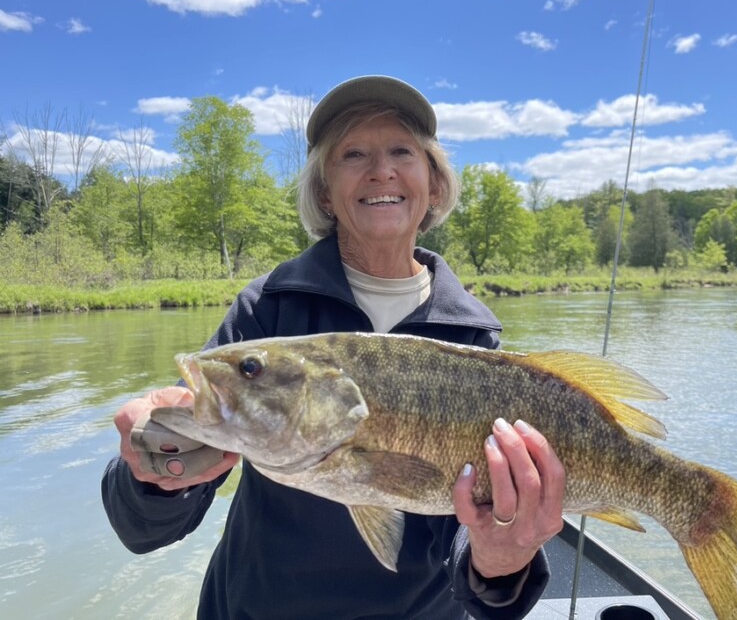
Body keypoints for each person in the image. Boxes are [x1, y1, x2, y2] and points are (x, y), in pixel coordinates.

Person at [101, 75, 566, 619]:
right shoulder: (266, 312)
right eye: (353, 154)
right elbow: (147, 526)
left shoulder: (473, 338)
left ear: (434, 185)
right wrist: (155, 473)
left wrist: (500, 560)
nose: (381, 170)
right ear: (325, 191)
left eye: (402, 151)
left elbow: (471, 547)